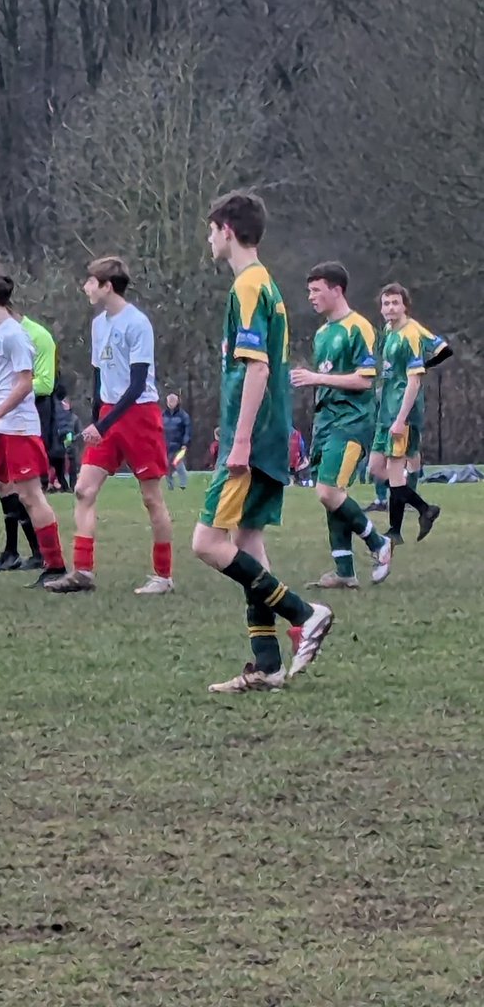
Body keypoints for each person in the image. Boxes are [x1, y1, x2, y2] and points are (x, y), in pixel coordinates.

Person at [191, 190, 331, 693]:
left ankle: (305, 612)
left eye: (211, 229)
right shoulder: (265, 283)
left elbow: (256, 366)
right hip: (268, 433)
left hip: (254, 439)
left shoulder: (249, 286)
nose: (208, 239)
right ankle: (267, 665)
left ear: (227, 229)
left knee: (207, 542)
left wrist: (239, 440)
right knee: (248, 542)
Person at [45, 256, 174, 596]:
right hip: (107, 417)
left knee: (151, 497)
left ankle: (163, 575)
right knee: (83, 489)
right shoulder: (98, 323)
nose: (85, 287)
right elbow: (99, 376)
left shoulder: (137, 323)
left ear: (106, 286)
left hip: (138, 416)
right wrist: (96, 420)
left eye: (90, 281)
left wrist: (104, 423)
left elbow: (136, 385)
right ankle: (82, 571)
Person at [0, 270, 67, 588]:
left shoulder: (15, 335)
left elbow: (24, 384)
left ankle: (56, 565)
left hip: (18, 429)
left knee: (31, 496)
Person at [288, 262, 392, 593]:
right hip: (327, 423)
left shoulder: (358, 327)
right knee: (332, 495)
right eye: (309, 291)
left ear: (337, 290)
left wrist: (316, 377)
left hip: (352, 423)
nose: (311, 297)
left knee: (328, 491)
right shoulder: (322, 334)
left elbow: (364, 380)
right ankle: (344, 571)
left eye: (316, 290)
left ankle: (378, 542)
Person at [367, 283, 445, 547]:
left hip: (402, 411)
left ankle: (394, 531)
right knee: (377, 468)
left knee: (395, 469)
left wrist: (401, 420)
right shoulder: (389, 330)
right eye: (386, 303)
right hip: (386, 409)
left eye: (395, 303)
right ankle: (424, 509)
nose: (390, 308)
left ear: (405, 306)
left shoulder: (411, 334)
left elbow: (415, 380)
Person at [162, 393, 192, 490]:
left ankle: (183, 484)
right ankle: (170, 485)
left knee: (178, 464)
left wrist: (185, 443)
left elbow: (188, 430)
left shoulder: (183, 416)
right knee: (167, 467)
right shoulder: (162, 415)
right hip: (166, 445)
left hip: (179, 445)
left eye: (173, 401)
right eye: (169, 401)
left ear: (177, 402)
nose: (171, 403)